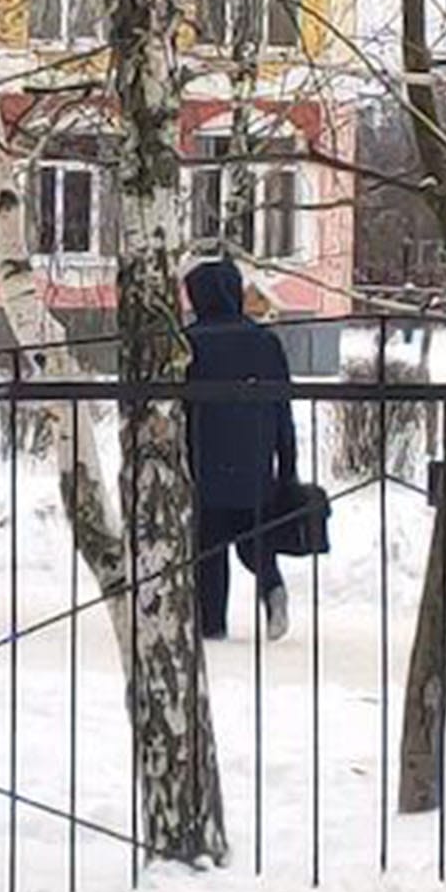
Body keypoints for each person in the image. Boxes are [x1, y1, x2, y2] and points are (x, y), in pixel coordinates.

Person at [184, 257, 297, 641]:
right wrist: (288, 466)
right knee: (255, 536)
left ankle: (212, 623)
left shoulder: (190, 343)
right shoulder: (265, 342)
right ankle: (272, 586)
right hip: (255, 459)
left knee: (208, 547)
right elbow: (283, 408)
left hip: (204, 458)